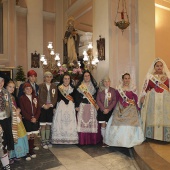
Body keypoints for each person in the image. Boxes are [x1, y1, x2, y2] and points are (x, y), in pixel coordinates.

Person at [104, 73, 144, 148]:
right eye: (125, 78)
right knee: (117, 122)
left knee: (130, 122)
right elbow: (116, 98)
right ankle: (117, 141)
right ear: (122, 79)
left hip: (130, 108)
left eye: (128, 78)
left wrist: (138, 108)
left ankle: (130, 140)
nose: (127, 80)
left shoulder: (133, 87)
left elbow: (136, 98)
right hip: (120, 108)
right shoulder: (118, 88)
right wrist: (112, 107)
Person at [139, 58, 170, 141]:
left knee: (165, 118)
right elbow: (145, 88)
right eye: (157, 66)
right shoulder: (150, 77)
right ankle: (152, 136)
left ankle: (165, 137)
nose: (159, 67)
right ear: (154, 67)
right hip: (152, 101)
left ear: (163, 67)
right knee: (152, 117)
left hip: (165, 102)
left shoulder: (167, 77)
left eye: (160, 66)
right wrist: (142, 96)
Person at [75, 70, 101, 145]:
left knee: (91, 122)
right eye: (85, 76)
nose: (87, 77)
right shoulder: (80, 86)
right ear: (83, 77)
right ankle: (82, 140)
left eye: (88, 75)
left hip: (91, 106)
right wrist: (77, 105)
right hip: (82, 106)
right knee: (83, 123)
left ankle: (92, 140)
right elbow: (76, 97)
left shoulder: (94, 86)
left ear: (90, 76)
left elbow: (97, 96)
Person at [6, 81, 29, 162]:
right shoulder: (4, 97)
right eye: (10, 87)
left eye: (13, 87)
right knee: (11, 137)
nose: (12, 89)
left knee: (18, 137)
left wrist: (18, 111)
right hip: (10, 121)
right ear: (6, 87)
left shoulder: (12, 97)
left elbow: (15, 107)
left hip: (16, 120)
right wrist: (15, 112)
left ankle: (16, 154)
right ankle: (10, 156)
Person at [51, 74, 78, 144]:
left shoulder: (73, 88)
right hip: (61, 107)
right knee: (60, 121)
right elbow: (55, 97)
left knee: (70, 122)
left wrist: (74, 104)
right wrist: (54, 107)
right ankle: (59, 138)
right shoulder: (59, 87)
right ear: (62, 79)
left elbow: (75, 98)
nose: (66, 80)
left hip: (70, 107)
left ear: (70, 80)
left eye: (68, 79)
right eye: (65, 78)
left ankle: (70, 138)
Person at [19, 83, 40, 160]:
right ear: (24, 90)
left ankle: (31, 149)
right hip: (27, 119)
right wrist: (30, 118)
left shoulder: (35, 97)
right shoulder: (22, 98)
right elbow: (23, 110)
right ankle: (26, 151)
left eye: (30, 88)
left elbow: (38, 109)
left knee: (32, 134)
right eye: (27, 89)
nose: (29, 90)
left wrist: (36, 117)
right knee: (27, 135)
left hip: (35, 119)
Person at [38, 71, 57, 149]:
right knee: (43, 125)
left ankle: (47, 140)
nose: (49, 78)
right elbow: (38, 97)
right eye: (47, 77)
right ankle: (43, 141)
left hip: (50, 107)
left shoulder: (54, 86)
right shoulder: (40, 86)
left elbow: (55, 97)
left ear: (52, 78)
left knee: (48, 125)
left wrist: (51, 105)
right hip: (43, 107)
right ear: (44, 78)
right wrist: (43, 105)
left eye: (50, 77)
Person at [96, 76, 116, 146]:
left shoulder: (113, 90)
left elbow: (114, 101)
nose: (107, 83)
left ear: (110, 82)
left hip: (110, 110)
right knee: (103, 125)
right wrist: (103, 109)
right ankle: (104, 140)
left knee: (108, 125)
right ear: (103, 82)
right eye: (105, 81)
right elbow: (98, 100)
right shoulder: (100, 90)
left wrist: (108, 109)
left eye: (108, 81)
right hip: (102, 110)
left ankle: (108, 140)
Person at [0, 72, 14, 170]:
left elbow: (9, 108)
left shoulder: (6, 92)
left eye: (2, 80)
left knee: (4, 143)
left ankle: (5, 164)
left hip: (5, 120)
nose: (0, 82)